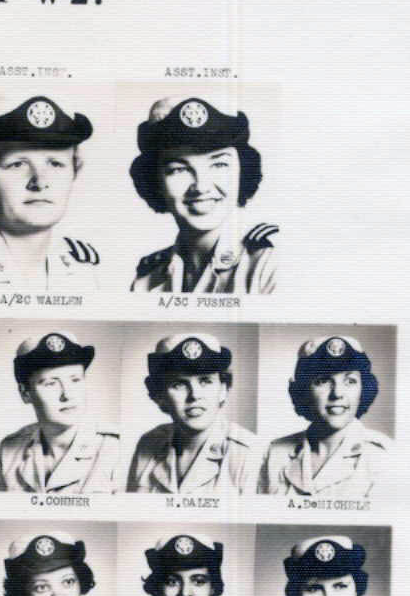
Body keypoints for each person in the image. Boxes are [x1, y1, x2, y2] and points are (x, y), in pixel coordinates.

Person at [0, 91, 99, 289]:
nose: (40, 182)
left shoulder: (85, 271)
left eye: (55, 163)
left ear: (74, 173)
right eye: (17, 164)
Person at [129, 94, 276, 294]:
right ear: (155, 181)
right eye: (178, 169)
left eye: (219, 164)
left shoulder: (269, 263)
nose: (201, 186)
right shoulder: (147, 278)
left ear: (243, 171)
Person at [260, 336, 388, 505]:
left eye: (350, 381)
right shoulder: (275, 453)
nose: (337, 394)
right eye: (323, 381)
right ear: (304, 390)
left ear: (363, 389)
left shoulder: (383, 458)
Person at [126, 332, 258, 496]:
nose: (195, 395)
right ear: (160, 395)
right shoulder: (149, 443)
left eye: (205, 381)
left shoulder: (249, 453)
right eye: (179, 384)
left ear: (223, 389)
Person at [0, 333, 118, 496]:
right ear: (25, 393)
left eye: (75, 380)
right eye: (51, 384)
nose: (67, 395)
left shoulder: (114, 448)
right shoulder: (9, 450)